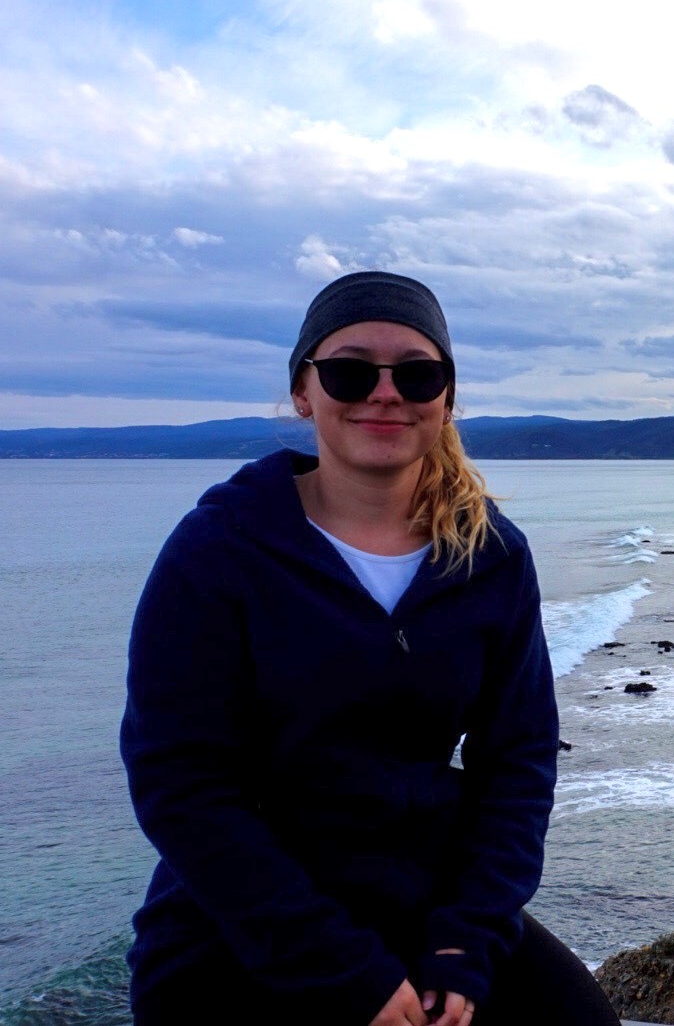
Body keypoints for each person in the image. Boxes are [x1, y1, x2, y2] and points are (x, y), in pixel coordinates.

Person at [121, 271, 621, 1025]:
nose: (385, 393)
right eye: (351, 370)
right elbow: (180, 783)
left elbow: (516, 763)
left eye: (417, 373)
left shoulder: (490, 556)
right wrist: (338, 968)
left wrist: (466, 941)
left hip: (426, 895)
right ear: (303, 390)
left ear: (446, 399)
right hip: (246, 916)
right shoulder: (219, 551)